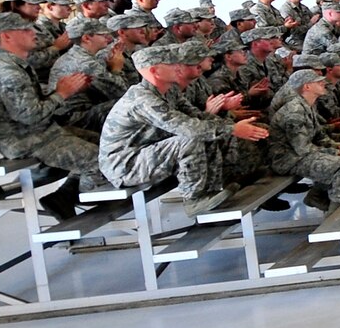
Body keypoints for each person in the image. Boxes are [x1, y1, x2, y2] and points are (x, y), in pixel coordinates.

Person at [99, 43, 270, 214]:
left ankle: (215, 187)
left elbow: (197, 116)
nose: (179, 67)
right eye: (172, 64)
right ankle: (194, 199)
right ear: (155, 71)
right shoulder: (142, 99)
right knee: (191, 138)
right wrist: (232, 129)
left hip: (149, 153)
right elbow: (188, 128)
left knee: (208, 132)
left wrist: (232, 126)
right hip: (125, 164)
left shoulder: (169, 91)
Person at [0, 12, 108, 191]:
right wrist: (61, 94)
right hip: (26, 141)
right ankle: (86, 201)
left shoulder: (16, 65)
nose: (33, 33)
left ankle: (63, 199)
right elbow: (29, 116)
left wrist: (64, 91)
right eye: (25, 30)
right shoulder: (8, 72)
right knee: (102, 161)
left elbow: (29, 106)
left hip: (42, 132)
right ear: (7, 36)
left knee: (106, 144)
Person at [268, 69, 340, 209]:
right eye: (318, 82)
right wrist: (338, 153)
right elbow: (303, 149)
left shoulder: (307, 105)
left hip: (302, 154)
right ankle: (337, 217)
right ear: (306, 86)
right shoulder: (294, 112)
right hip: (289, 160)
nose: (323, 83)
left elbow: (319, 136)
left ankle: (319, 195)